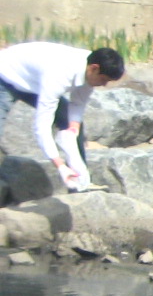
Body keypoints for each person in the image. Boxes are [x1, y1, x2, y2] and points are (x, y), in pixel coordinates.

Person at [0, 41, 124, 192]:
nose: (104, 85)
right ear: (94, 68)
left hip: (34, 82)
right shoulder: (59, 73)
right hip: (6, 73)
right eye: (104, 80)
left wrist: (73, 128)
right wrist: (59, 164)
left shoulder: (89, 70)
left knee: (69, 122)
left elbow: (77, 105)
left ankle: (79, 181)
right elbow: (42, 126)